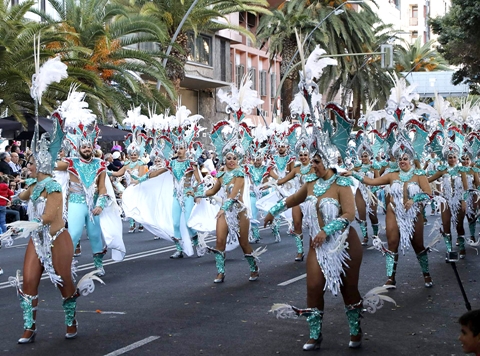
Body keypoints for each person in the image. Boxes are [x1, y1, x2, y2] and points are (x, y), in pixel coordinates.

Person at [266, 127, 364, 350]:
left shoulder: (342, 185)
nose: (312, 166)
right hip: (317, 247)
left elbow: (349, 214)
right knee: (313, 286)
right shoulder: (310, 183)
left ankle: (356, 329)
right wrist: (272, 211)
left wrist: (326, 230)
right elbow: (292, 199)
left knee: (349, 289)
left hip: (344, 244)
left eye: (316, 162)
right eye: (312, 162)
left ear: (328, 161)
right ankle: (314, 334)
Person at [345, 135, 434, 289]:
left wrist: (414, 199)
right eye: (400, 159)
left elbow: (428, 193)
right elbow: (371, 181)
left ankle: (426, 274)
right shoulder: (392, 175)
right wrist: (353, 174)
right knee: (392, 243)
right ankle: (390, 278)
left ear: (411, 159)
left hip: (413, 214)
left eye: (405, 158)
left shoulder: (419, 175)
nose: (402, 161)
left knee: (418, 245)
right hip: (394, 212)